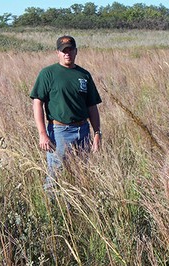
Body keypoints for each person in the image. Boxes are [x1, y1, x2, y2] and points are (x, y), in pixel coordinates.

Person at [30, 35, 102, 192]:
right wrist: (42, 133)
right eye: (64, 51)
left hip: (82, 130)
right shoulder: (48, 73)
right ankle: (52, 208)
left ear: (76, 51)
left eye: (70, 50)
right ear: (58, 53)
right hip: (59, 131)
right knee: (55, 174)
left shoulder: (84, 75)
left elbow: (92, 106)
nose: (67, 53)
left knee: (81, 172)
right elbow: (37, 103)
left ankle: (75, 208)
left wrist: (96, 132)